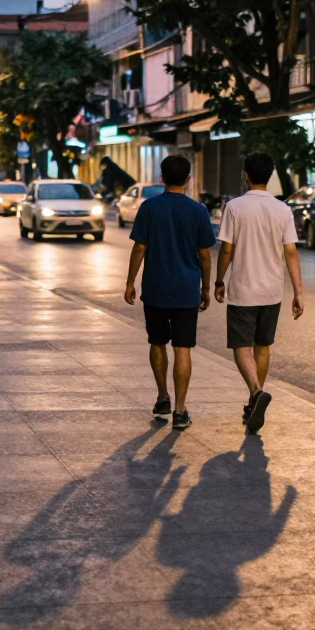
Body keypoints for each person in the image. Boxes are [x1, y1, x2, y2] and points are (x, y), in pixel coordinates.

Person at [214, 151, 305, 435]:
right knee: (262, 347)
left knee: (242, 347)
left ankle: (255, 393)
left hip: (243, 290)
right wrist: (298, 292)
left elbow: (226, 248)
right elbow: (290, 251)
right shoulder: (283, 210)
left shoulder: (235, 207)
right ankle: (254, 402)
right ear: (270, 176)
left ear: (246, 175)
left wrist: (218, 280)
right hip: (272, 292)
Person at [124, 154, 214, 430]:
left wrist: (130, 282)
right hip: (186, 291)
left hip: (155, 289)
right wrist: (206, 287)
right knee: (183, 348)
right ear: (188, 179)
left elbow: (140, 247)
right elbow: (205, 255)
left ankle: (162, 395)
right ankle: (180, 410)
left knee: (157, 342)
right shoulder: (198, 211)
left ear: (162, 178)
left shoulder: (149, 207)